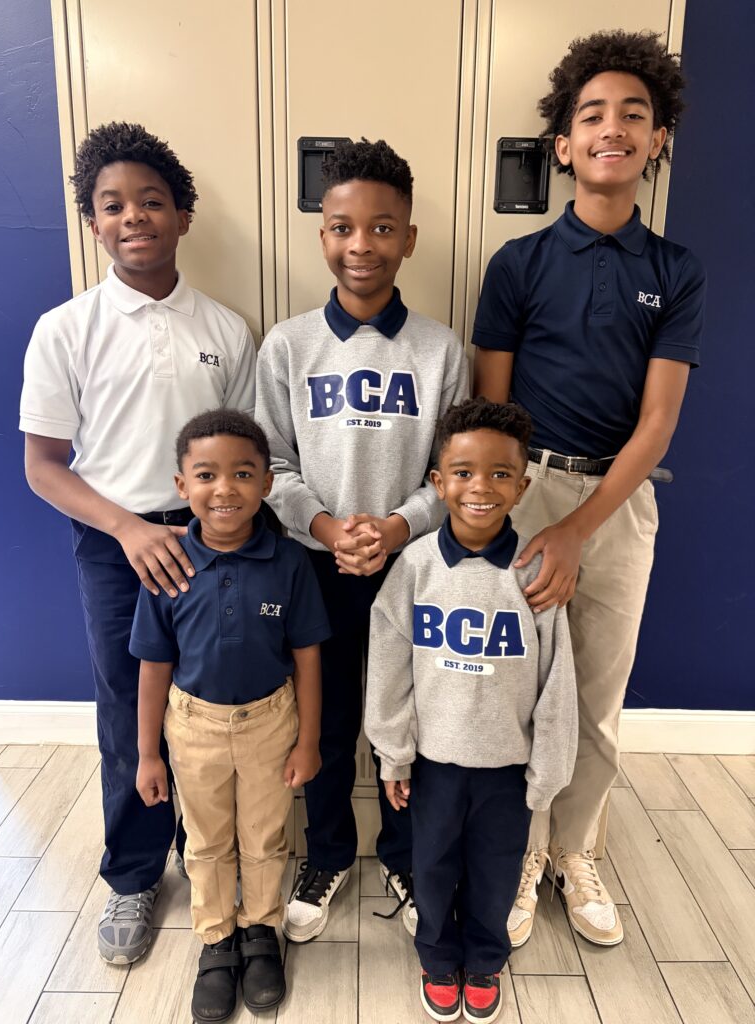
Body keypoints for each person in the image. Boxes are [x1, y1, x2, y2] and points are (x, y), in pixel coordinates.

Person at [472, 30, 705, 948]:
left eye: (634, 116)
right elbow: (491, 416)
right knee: (522, 693)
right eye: (592, 115)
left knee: (599, 702)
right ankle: (523, 852)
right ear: (563, 145)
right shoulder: (518, 266)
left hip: (619, 505)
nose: (614, 128)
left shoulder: (674, 273)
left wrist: (581, 530)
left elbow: (657, 425)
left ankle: (576, 851)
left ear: (656, 144)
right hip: (525, 494)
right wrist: (525, 514)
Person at [19, 122, 257, 964]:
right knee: (131, 710)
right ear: (92, 223)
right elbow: (44, 466)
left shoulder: (228, 330)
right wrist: (125, 528)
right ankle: (131, 873)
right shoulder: (66, 329)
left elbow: (246, 456)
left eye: (152, 202)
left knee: (217, 703)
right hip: (114, 546)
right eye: (113, 206)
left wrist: (214, 530)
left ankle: (217, 858)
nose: (134, 218)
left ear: (183, 217)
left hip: (213, 538)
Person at [255, 138, 469, 941]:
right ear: (322, 236)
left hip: (408, 568)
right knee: (330, 713)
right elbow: (268, 463)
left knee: (410, 719)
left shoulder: (442, 349)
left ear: (409, 238)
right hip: (315, 567)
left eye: (382, 229)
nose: (361, 246)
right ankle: (331, 851)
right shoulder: (287, 344)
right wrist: (323, 525)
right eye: (343, 227)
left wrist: (394, 526)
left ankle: (408, 856)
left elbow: (455, 472)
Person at [365, 398, 577, 1023]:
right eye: (462, 472)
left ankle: (484, 961)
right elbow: (388, 664)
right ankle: (436, 957)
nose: (480, 488)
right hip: (433, 765)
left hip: (507, 771)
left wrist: (547, 771)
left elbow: (557, 680)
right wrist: (393, 753)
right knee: (429, 868)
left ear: (522, 484)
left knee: (495, 871)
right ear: (438, 482)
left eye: (499, 474)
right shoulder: (416, 565)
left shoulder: (537, 571)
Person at [132, 409, 330, 1021]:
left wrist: (310, 742)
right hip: (193, 729)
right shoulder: (166, 564)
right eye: (207, 475)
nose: (225, 489)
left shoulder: (290, 562)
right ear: (181, 484)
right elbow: (153, 666)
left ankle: (260, 934)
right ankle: (217, 941)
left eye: (243, 473)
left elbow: (307, 657)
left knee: (266, 838)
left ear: (267, 483)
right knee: (208, 841)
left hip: (272, 723)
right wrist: (146, 753)